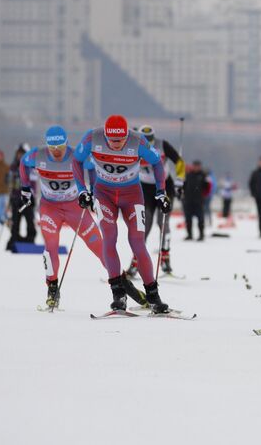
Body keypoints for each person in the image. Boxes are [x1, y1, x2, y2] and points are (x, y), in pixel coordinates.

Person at [20, 125, 146, 309]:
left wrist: (92, 192)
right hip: (50, 209)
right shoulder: (36, 156)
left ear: (66, 144)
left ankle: (125, 285)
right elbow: (23, 163)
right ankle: (52, 289)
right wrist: (25, 188)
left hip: (75, 209)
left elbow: (91, 170)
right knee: (51, 247)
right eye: (52, 148)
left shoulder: (75, 155)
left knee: (100, 246)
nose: (56, 152)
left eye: (60, 147)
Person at [73, 114, 171, 313]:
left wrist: (161, 193)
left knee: (137, 241)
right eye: (112, 140)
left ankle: (153, 296)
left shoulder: (138, 140)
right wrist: (82, 190)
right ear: (106, 135)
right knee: (109, 238)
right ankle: (118, 294)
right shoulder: (92, 137)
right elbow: (76, 161)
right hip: (104, 194)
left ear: (127, 135)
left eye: (120, 140)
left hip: (132, 195)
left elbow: (157, 163)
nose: (116, 144)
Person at [127, 124, 185, 277]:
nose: (149, 142)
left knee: (163, 222)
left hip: (165, 185)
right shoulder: (132, 146)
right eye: (145, 139)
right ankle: (136, 261)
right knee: (145, 224)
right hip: (145, 189)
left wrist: (180, 181)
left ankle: (165, 258)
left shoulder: (162, 145)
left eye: (151, 139)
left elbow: (179, 161)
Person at [7, 144, 36, 250]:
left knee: (30, 221)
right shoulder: (13, 167)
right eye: (19, 154)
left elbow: (34, 183)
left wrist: (33, 196)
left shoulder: (30, 166)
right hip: (16, 199)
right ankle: (14, 239)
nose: (20, 156)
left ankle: (30, 239)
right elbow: (9, 182)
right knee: (15, 222)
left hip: (27, 199)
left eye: (22, 154)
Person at [183, 160, 207, 241]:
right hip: (188, 200)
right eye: (195, 166)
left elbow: (207, 187)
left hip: (199, 201)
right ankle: (189, 235)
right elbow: (184, 186)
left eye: (198, 166)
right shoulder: (188, 175)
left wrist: (204, 197)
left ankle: (201, 234)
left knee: (200, 219)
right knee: (188, 219)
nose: (196, 167)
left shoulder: (203, 175)